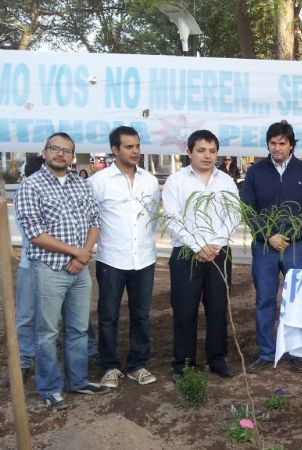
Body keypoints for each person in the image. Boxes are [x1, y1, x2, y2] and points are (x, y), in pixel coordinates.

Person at [15, 132, 110, 409]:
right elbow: (35, 233)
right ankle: (49, 388)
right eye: (55, 148)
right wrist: (76, 252)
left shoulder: (81, 185)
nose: (61, 154)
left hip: (79, 270)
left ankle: (78, 381)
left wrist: (84, 255)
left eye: (67, 150)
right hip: (47, 269)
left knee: (79, 328)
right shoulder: (31, 186)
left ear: (72, 156)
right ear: (44, 152)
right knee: (46, 332)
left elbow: (95, 220)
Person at [162, 130, 240, 381]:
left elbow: (233, 215)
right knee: (185, 310)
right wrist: (197, 246)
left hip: (218, 253)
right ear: (189, 152)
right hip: (186, 254)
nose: (207, 156)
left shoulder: (226, 181)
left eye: (212, 151)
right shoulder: (176, 181)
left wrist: (214, 245)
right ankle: (184, 363)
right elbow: (172, 218)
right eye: (201, 150)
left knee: (218, 308)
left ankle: (217, 359)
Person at [241, 121, 302, 374]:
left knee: (296, 301)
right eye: (273, 143)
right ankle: (266, 351)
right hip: (265, 246)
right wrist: (268, 235)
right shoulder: (255, 172)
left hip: (295, 246)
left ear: (291, 144)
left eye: (282, 143)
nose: (277, 148)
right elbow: (248, 210)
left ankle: (296, 352)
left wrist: (289, 234)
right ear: (268, 145)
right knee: (264, 299)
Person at [90, 126, 161, 388]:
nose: (135, 152)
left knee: (141, 315)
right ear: (115, 149)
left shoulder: (150, 181)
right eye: (129, 147)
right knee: (108, 315)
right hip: (111, 260)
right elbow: (92, 219)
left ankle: (138, 365)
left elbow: (152, 216)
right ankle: (109, 367)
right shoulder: (98, 182)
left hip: (143, 258)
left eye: (138, 146)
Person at [13, 155, 45, 381]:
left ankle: (89, 352)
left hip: (64, 265)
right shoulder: (26, 194)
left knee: (73, 314)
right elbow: (34, 235)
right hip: (30, 264)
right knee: (26, 315)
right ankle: (24, 361)